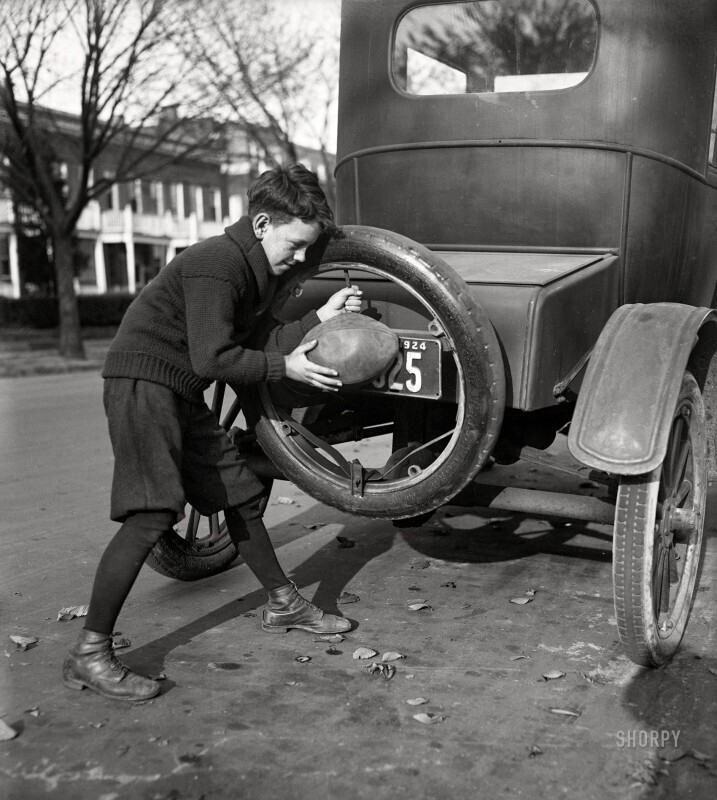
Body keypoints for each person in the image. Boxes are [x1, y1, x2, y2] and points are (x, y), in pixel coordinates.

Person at [63, 163, 363, 702]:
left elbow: (261, 339)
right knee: (152, 513)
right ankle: (89, 652)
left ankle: (283, 603)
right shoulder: (217, 264)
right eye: (295, 246)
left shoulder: (252, 270)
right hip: (142, 383)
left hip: (178, 386)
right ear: (263, 222)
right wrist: (285, 369)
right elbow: (217, 355)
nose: (299, 259)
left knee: (241, 497)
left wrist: (319, 317)